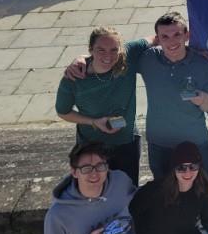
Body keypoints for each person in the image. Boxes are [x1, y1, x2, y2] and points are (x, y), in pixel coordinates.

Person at [66, 12, 208, 179]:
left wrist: (201, 98)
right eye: (165, 36)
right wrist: (83, 58)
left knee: (207, 186)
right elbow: (111, 55)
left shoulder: (202, 63)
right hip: (159, 142)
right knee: (163, 191)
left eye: (177, 35)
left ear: (187, 35)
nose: (172, 41)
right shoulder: (147, 59)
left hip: (195, 140)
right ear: (158, 39)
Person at [56, 27, 151, 184]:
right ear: (90, 49)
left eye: (114, 49)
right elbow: (63, 112)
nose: (108, 55)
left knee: (127, 190)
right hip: (91, 145)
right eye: (101, 50)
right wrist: (93, 122)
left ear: (120, 49)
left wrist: (197, 52)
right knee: (94, 192)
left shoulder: (128, 56)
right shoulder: (74, 77)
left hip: (126, 142)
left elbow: (157, 38)